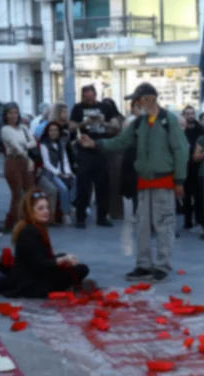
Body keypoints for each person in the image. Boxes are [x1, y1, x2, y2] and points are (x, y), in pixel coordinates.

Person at [80, 82, 188, 283]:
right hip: (144, 182)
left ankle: (162, 265)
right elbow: (120, 141)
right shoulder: (139, 123)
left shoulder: (169, 120)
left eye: (137, 101)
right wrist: (95, 143)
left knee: (163, 225)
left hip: (163, 180)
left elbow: (181, 150)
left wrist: (179, 179)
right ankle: (143, 265)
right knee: (142, 226)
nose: (135, 105)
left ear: (149, 99)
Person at [5, 190, 89, 298]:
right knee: (81, 269)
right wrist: (62, 260)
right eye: (41, 208)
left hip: (35, 276)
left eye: (47, 207)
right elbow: (39, 264)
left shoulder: (34, 227)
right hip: (32, 284)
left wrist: (64, 258)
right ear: (30, 211)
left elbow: (42, 257)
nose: (46, 211)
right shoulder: (29, 232)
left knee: (67, 258)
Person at [69, 84, 120, 228]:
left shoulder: (105, 107)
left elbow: (116, 126)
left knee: (103, 184)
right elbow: (71, 126)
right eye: (86, 98)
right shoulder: (78, 108)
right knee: (83, 185)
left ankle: (102, 216)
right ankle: (80, 217)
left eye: (91, 97)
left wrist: (102, 122)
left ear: (95, 95)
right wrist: (84, 123)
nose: (89, 100)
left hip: (101, 148)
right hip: (84, 149)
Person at [0, 103, 37, 223]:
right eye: (10, 113)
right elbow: (15, 147)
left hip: (24, 160)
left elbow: (34, 142)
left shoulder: (23, 128)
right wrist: (27, 154)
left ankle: (16, 219)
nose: (13, 115)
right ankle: (18, 221)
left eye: (15, 113)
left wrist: (24, 146)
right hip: (13, 161)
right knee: (18, 193)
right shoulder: (5, 129)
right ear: (6, 115)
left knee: (29, 191)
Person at [39, 121, 76, 224]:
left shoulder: (61, 143)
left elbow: (65, 159)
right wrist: (58, 173)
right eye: (51, 130)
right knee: (63, 189)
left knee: (75, 179)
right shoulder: (44, 144)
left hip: (62, 171)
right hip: (51, 173)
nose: (53, 132)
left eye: (55, 130)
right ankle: (66, 213)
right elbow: (46, 163)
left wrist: (69, 172)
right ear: (47, 132)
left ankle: (71, 203)